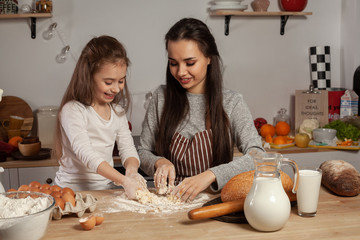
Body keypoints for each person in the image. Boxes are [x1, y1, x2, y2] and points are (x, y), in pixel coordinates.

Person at [138, 18, 264, 202]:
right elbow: (142, 152)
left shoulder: (231, 102)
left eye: (190, 63)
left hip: (216, 202)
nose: (180, 72)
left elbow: (258, 155)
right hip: (168, 202)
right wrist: (159, 162)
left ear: (208, 58)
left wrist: (211, 175)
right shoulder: (161, 97)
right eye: (173, 63)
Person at [54, 35, 146, 199]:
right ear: (88, 76)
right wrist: (124, 181)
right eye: (109, 82)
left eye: (121, 81)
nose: (116, 89)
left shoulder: (117, 112)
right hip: (71, 192)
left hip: (105, 191)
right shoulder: (73, 110)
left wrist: (131, 172)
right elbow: (87, 154)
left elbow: (128, 149)